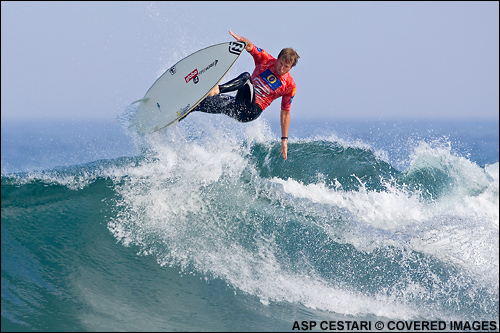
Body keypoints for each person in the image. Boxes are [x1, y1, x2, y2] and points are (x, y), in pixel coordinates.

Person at [193, 31, 299, 160]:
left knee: (246, 78)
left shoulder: (289, 86)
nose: (281, 68)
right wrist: (242, 41)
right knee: (199, 102)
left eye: (286, 66)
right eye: (281, 63)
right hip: (237, 104)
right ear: (277, 59)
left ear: (291, 67)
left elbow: (285, 113)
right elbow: (250, 46)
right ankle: (174, 117)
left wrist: (284, 140)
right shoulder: (265, 59)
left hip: (251, 111)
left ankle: (217, 89)